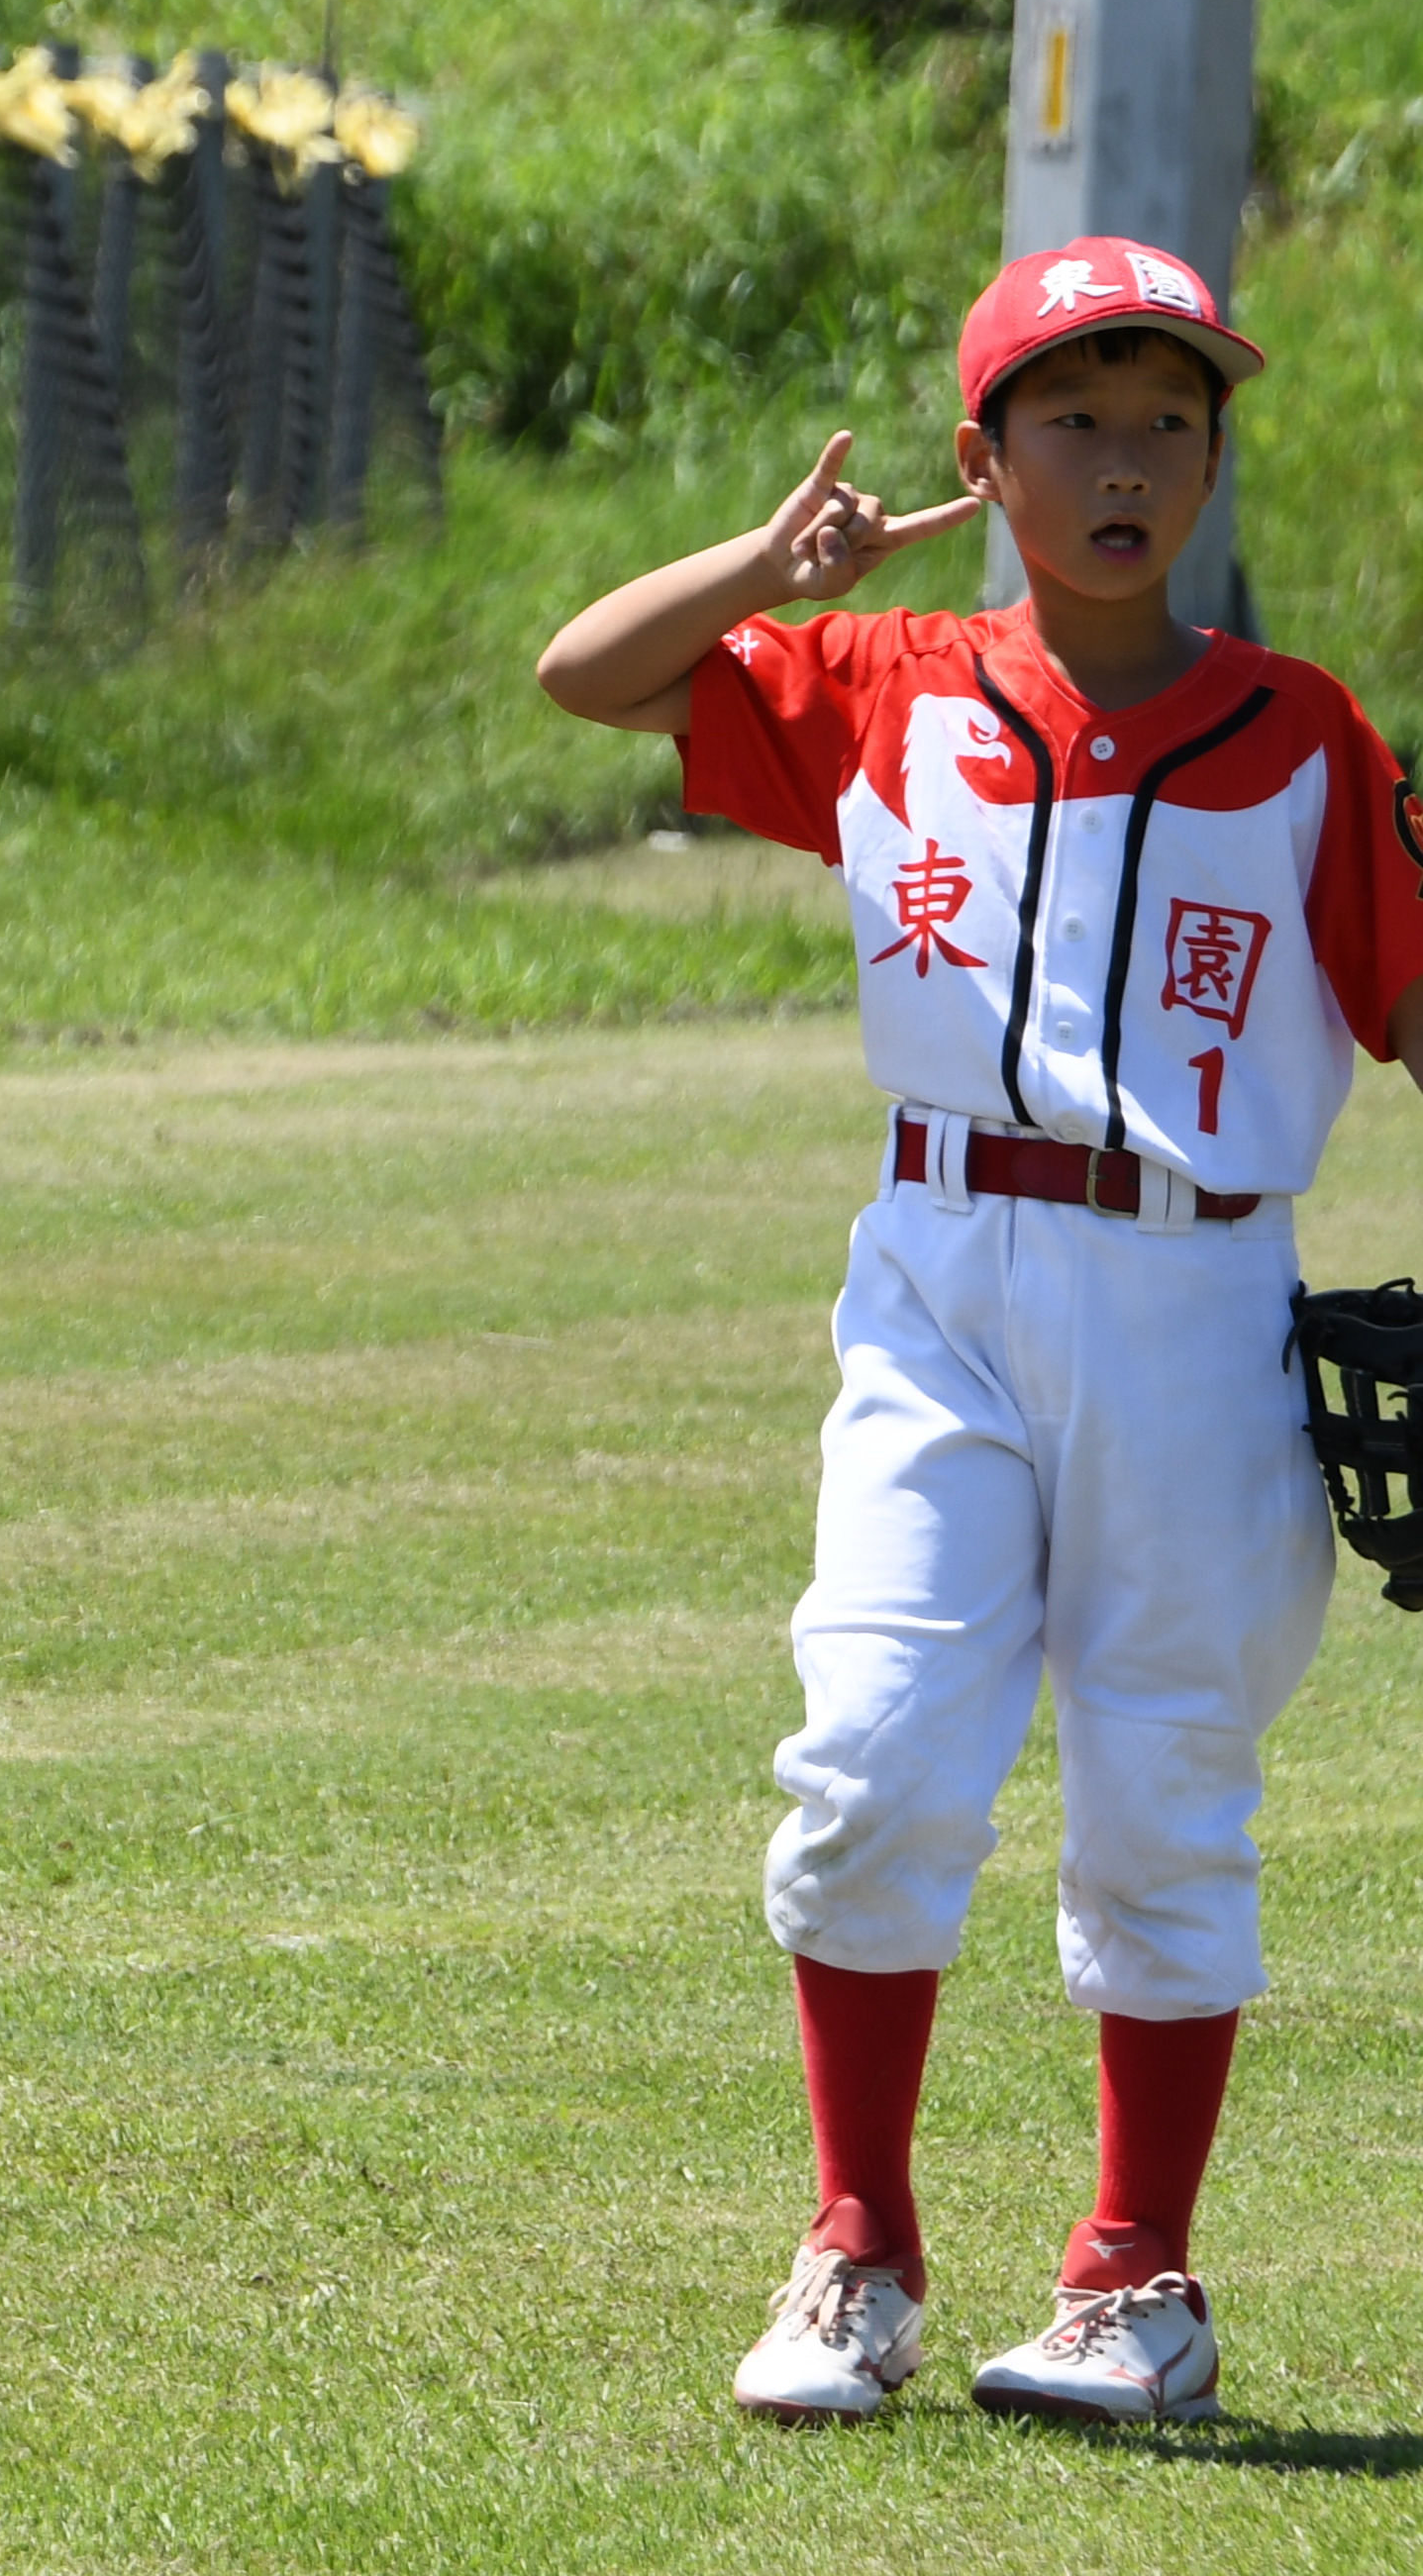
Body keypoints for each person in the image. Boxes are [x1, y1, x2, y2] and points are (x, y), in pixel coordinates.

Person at [534, 236, 1423, 2430]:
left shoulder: (1305, 735)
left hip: (1196, 1289)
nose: (1126, 464)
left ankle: (1138, 2281)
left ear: (1211, 461)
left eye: (1170, 423)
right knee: (868, 1758)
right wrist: (772, 568)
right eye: (1075, 420)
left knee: (1166, 1786)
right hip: (937, 1272)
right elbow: (589, 671)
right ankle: (858, 2249)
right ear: (982, 457)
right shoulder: (890, 682)